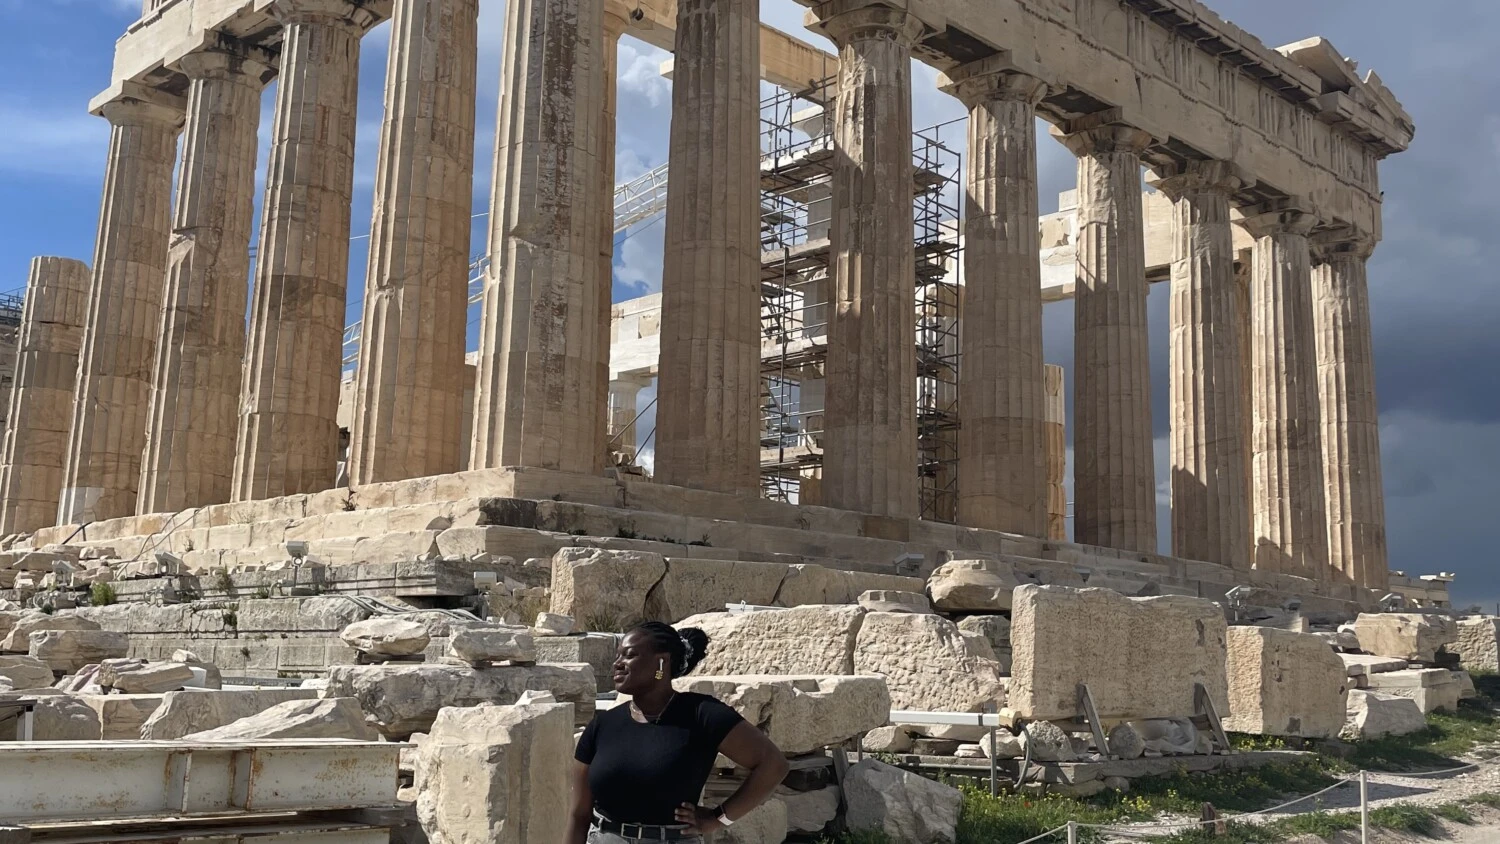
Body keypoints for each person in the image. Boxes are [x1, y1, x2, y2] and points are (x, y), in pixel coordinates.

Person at [566, 621, 790, 843]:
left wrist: (718, 818)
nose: (618, 664)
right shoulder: (603, 724)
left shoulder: (701, 715)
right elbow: (579, 815)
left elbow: (773, 765)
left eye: (629, 655)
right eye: (618, 656)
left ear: (661, 663)